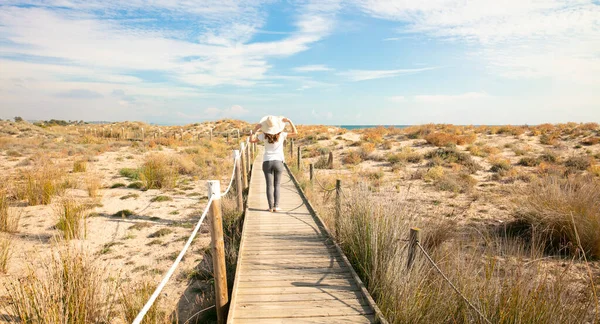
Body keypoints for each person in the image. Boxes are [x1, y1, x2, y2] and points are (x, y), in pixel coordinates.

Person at [250, 115, 298, 212]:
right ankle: (276, 206)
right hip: (278, 161)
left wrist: (255, 130)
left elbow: (251, 140)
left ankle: (270, 207)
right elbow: (295, 133)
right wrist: (289, 121)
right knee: (277, 185)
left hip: (267, 161)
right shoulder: (282, 135)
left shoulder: (264, 136)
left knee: (269, 185)